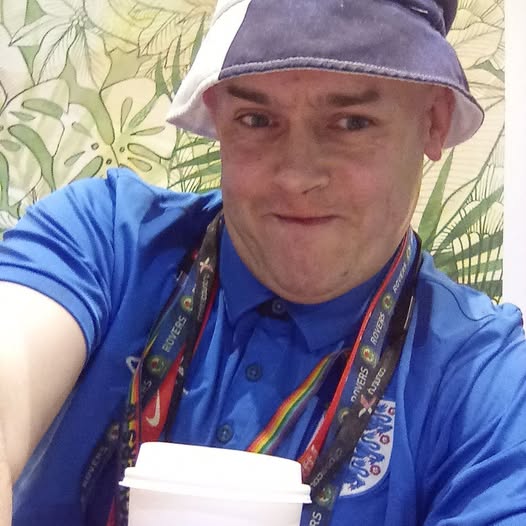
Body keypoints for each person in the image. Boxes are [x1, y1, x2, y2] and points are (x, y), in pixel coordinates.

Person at [1, 0, 525, 525]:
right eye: (257, 119)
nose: (296, 176)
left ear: (433, 121)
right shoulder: (110, 240)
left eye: (352, 122)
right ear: (219, 114)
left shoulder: (487, 382)